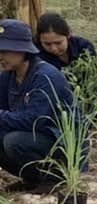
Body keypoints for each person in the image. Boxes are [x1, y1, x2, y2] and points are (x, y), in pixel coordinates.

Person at [0, 19, 80, 193]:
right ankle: (33, 179)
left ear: (23, 50)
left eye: (5, 51)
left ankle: (56, 177)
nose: (1, 56)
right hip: (35, 138)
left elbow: (34, 120)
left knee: (13, 141)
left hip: (61, 143)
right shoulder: (7, 76)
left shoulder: (46, 76)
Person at [35, 13, 97, 79]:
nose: (53, 48)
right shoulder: (36, 57)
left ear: (68, 35)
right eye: (47, 44)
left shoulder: (84, 48)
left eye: (58, 43)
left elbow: (91, 76)